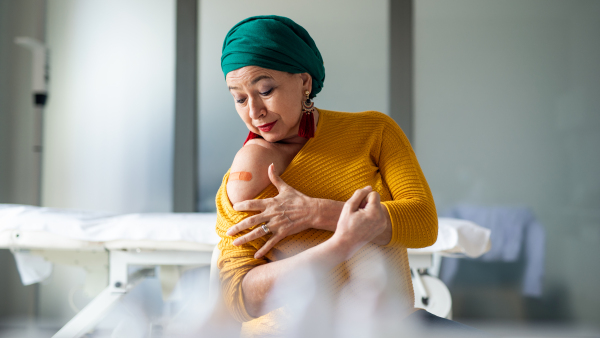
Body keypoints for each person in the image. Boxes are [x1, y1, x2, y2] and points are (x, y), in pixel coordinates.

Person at [215, 15, 439, 337]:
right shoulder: (249, 171)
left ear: (304, 82)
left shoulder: (374, 131)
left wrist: (316, 212)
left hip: (390, 326)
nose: (254, 111)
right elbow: (237, 297)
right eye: (239, 98)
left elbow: (424, 223)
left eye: (265, 90)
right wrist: (342, 242)